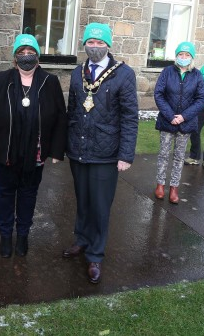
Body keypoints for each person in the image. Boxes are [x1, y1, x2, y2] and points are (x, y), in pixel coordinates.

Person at [0, 34, 67, 259]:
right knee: (4, 194)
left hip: (34, 155)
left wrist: (56, 150)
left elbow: (60, 118)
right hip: (4, 153)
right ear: (15, 57)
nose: (26, 57)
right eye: (22, 53)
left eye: (31, 53)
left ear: (38, 56)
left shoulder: (50, 82)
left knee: (28, 196)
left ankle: (24, 236)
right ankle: (6, 236)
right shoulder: (0, 80)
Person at [63, 23, 139, 284]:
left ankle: (95, 254)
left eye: (99, 42)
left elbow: (130, 117)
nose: (94, 47)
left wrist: (125, 155)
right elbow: (71, 110)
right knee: (82, 200)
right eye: (90, 42)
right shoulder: (77, 73)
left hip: (106, 153)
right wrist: (65, 145)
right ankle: (81, 240)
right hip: (79, 150)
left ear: (108, 45)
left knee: (100, 205)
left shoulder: (124, 75)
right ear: (84, 44)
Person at [153, 42, 204, 204]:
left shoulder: (197, 75)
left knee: (178, 156)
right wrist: (170, 116)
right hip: (167, 122)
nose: (183, 58)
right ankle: (160, 184)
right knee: (163, 154)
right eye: (180, 55)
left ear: (192, 57)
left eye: (187, 55)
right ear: (176, 56)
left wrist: (183, 116)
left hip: (186, 123)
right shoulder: (167, 72)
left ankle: (174, 187)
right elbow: (159, 94)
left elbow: (201, 99)